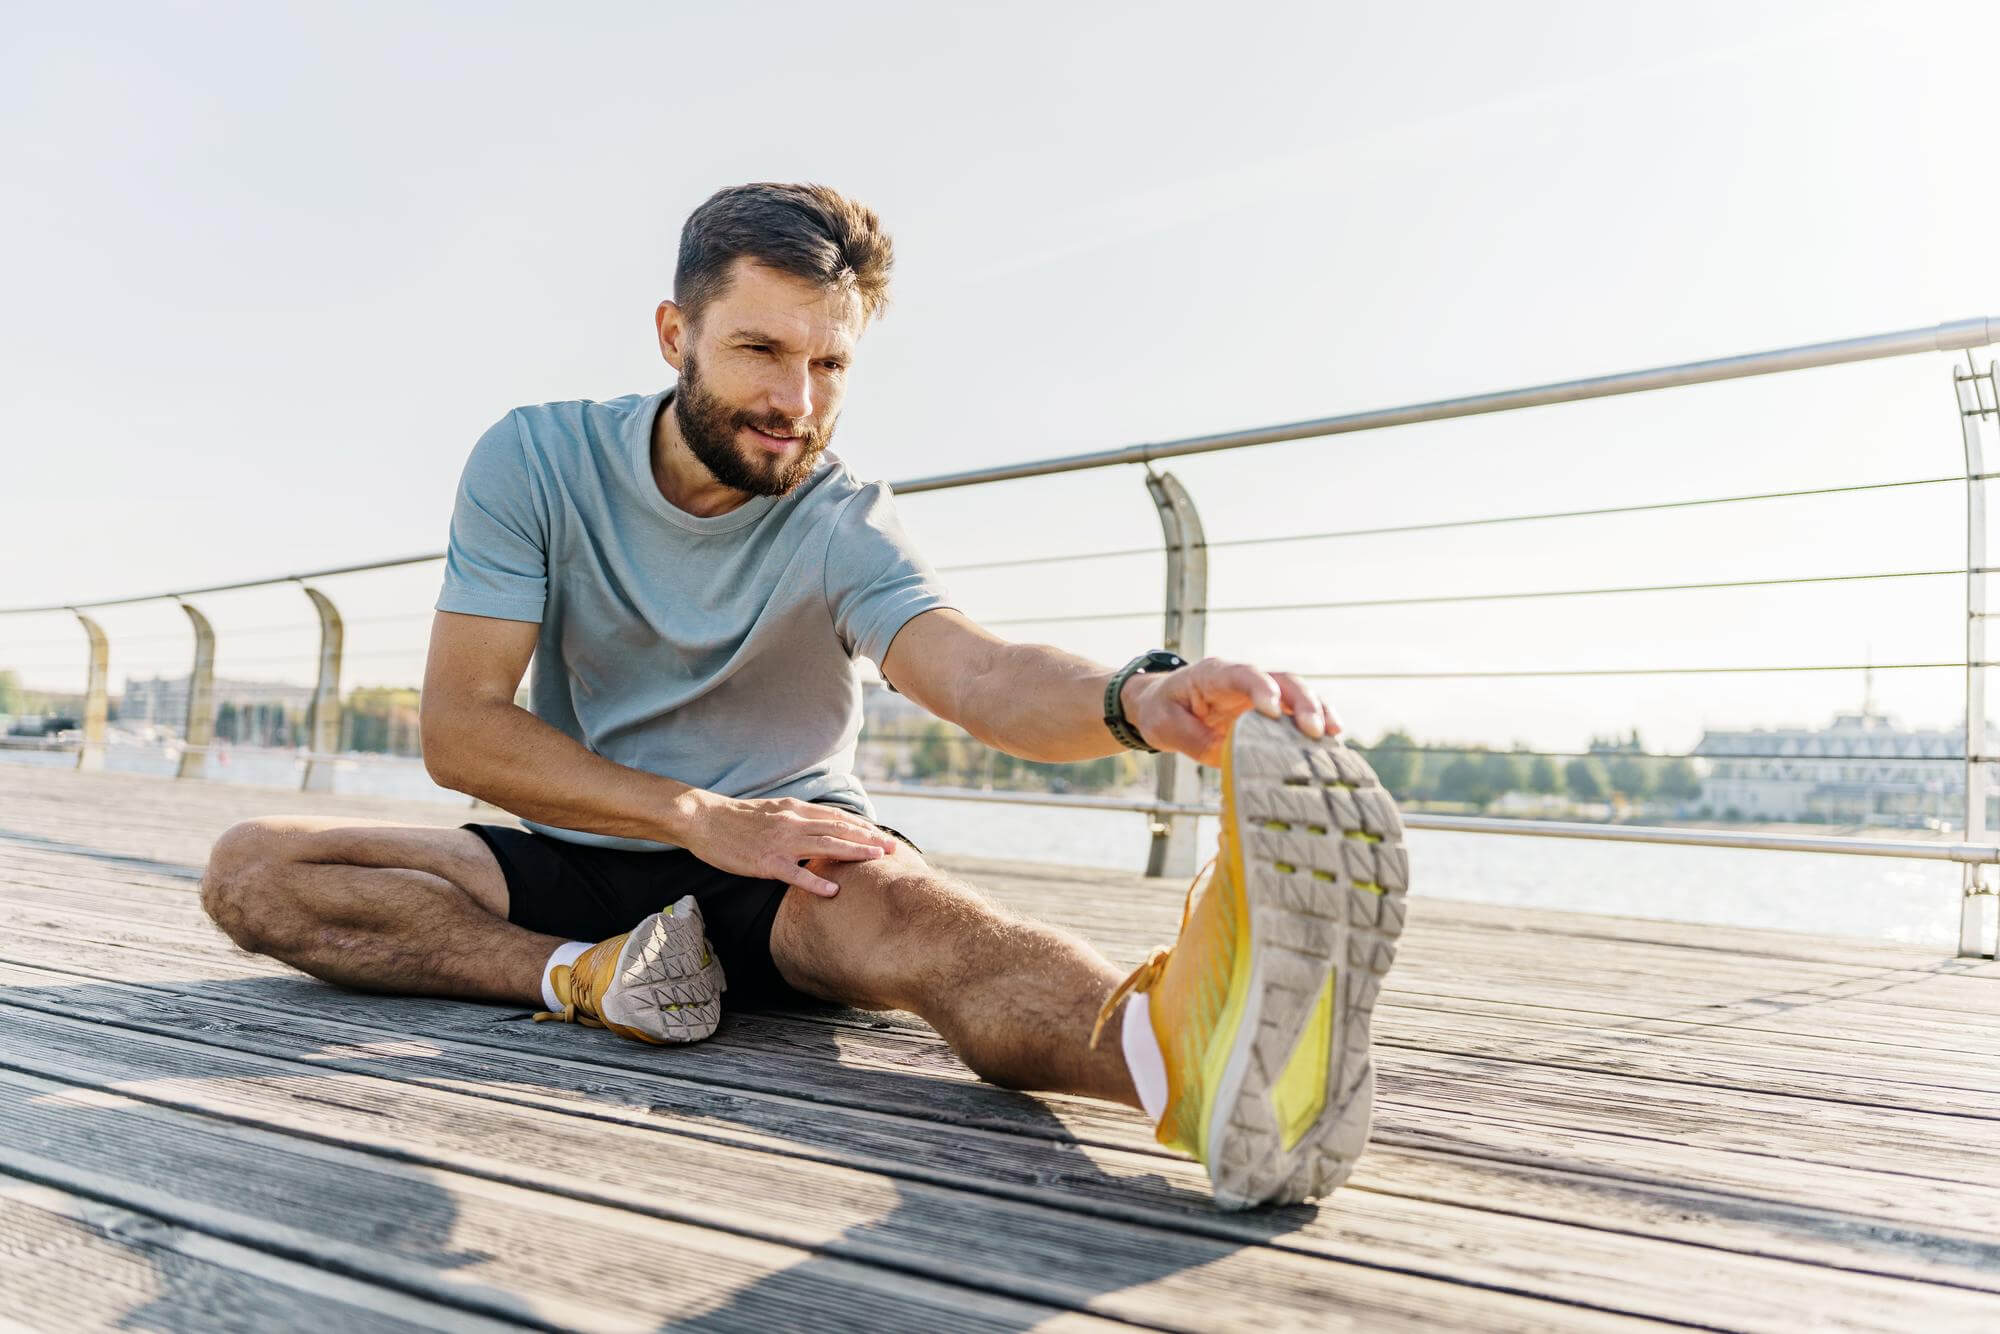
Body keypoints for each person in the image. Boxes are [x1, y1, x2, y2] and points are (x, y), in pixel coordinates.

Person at [198, 182, 1410, 1210]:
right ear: (676, 330)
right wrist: (687, 814)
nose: (797, 402)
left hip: (787, 856)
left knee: (931, 933)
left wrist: (1135, 697)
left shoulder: (841, 518)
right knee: (257, 867)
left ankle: (1188, 1058)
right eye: (761, 351)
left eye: (830, 362)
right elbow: (463, 729)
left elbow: (975, 671)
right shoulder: (534, 460)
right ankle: (587, 973)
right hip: (581, 842)